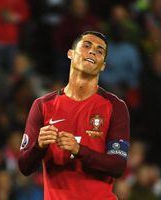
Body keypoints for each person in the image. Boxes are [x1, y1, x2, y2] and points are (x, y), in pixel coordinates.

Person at [18, 31, 130, 199]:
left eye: (100, 51)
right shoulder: (42, 105)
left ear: (103, 65)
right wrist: (38, 146)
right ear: (71, 54)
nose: (93, 51)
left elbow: (117, 166)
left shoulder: (114, 106)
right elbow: (24, 167)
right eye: (86, 46)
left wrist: (79, 150)